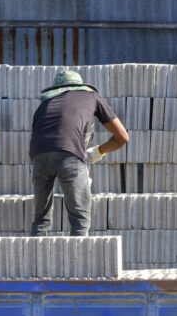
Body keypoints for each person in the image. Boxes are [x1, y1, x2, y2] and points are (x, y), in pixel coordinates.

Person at [28, 69, 128, 236]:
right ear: (80, 85)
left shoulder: (44, 104)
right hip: (70, 153)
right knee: (79, 221)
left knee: (40, 221)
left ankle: (34, 261)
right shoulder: (92, 96)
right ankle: (78, 260)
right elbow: (122, 136)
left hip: (39, 154)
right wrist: (98, 151)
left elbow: (38, 135)